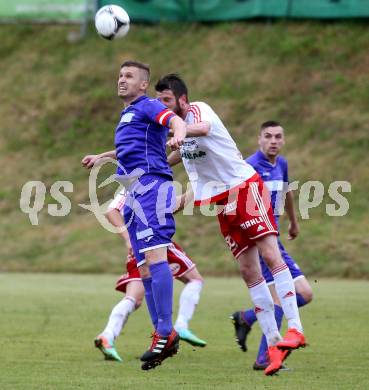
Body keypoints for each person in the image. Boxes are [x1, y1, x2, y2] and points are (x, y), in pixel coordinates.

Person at [155, 74, 307, 376]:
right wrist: (122, 157)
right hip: (224, 203)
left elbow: (203, 128)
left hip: (245, 188)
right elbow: (170, 156)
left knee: (270, 254)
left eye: (167, 101)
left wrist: (180, 130)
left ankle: (295, 329)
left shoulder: (197, 111)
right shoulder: (179, 133)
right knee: (248, 270)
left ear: (182, 100)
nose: (163, 107)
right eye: (159, 102)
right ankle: (275, 343)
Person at [82, 61, 187, 370]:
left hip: (153, 187)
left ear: (143, 84)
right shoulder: (127, 115)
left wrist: (179, 133)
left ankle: (166, 332)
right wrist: (102, 156)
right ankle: (160, 334)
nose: (121, 80)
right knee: (142, 269)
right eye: (119, 75)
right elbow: (129, 148)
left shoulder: (148, 105)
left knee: (156, 258)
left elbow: (173, 122)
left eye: (129, 76)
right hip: (134, 195)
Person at [84, 188, 207, 363]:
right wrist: (196, 188)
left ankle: (107, 335)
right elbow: (111, 211)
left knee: (133, 298)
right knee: (194, 279)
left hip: (139, 243)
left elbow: (167, 207)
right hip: (154, 242)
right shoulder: (142, 178)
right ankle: (180, 326)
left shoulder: (144, 176)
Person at [230, 121, 313, 370]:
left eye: (278, 136)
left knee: (305, 294)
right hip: (259, 242)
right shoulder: (249, 167)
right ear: (259, 139)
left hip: (275, 239)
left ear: (283, 140)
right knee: (277, 301)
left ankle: (246, 317)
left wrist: (294, 223)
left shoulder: (282, 164)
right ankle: (264, 357)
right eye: (268, 136)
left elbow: (286, 191)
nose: (273, 141)